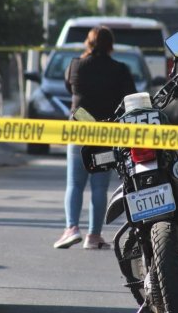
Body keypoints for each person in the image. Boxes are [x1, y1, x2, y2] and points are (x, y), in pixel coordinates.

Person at [53, 26, 137, 249]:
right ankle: (94, 236)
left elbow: (69, 87)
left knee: (75, 183)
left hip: (80, 126)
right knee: (99, 186)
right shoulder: (120, 69)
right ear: (111, 45)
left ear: (88, 44)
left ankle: (71, 228)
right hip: (106, 131)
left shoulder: (75, 65)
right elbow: (130, 97)